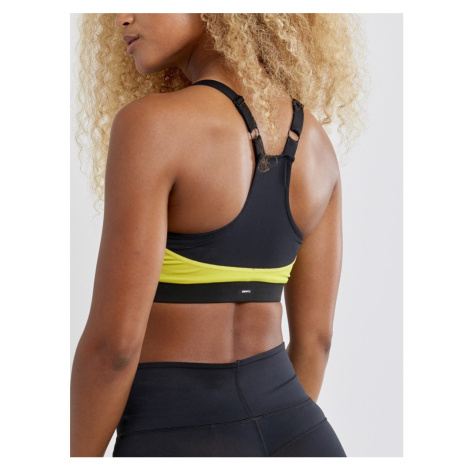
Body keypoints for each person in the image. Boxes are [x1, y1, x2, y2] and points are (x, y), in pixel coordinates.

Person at [71, 13, 366, 457]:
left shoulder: (152, 126)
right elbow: (316, 342)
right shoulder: (317, 146)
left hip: (177, 435)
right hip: (300, 435)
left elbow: (113, 349)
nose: (121, 17)